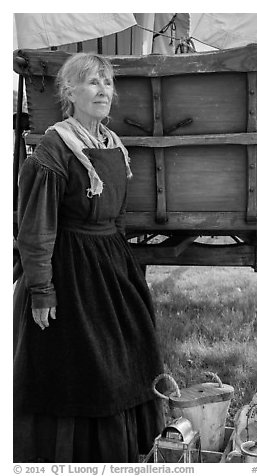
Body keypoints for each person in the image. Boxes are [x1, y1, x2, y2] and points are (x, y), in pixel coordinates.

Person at [13, 53, 165, 463]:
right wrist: (42, 290)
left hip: (111, 263)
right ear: (69, 92)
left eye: (107, 83)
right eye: (92, 82)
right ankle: (73, 456)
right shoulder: (54, 147)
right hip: (69, 269)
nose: (103, 90)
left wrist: (127, 275)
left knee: (130, 352)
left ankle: (126, 451)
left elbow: (116, 218)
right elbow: (36, 228)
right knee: (82, 366)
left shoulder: (112, 145)